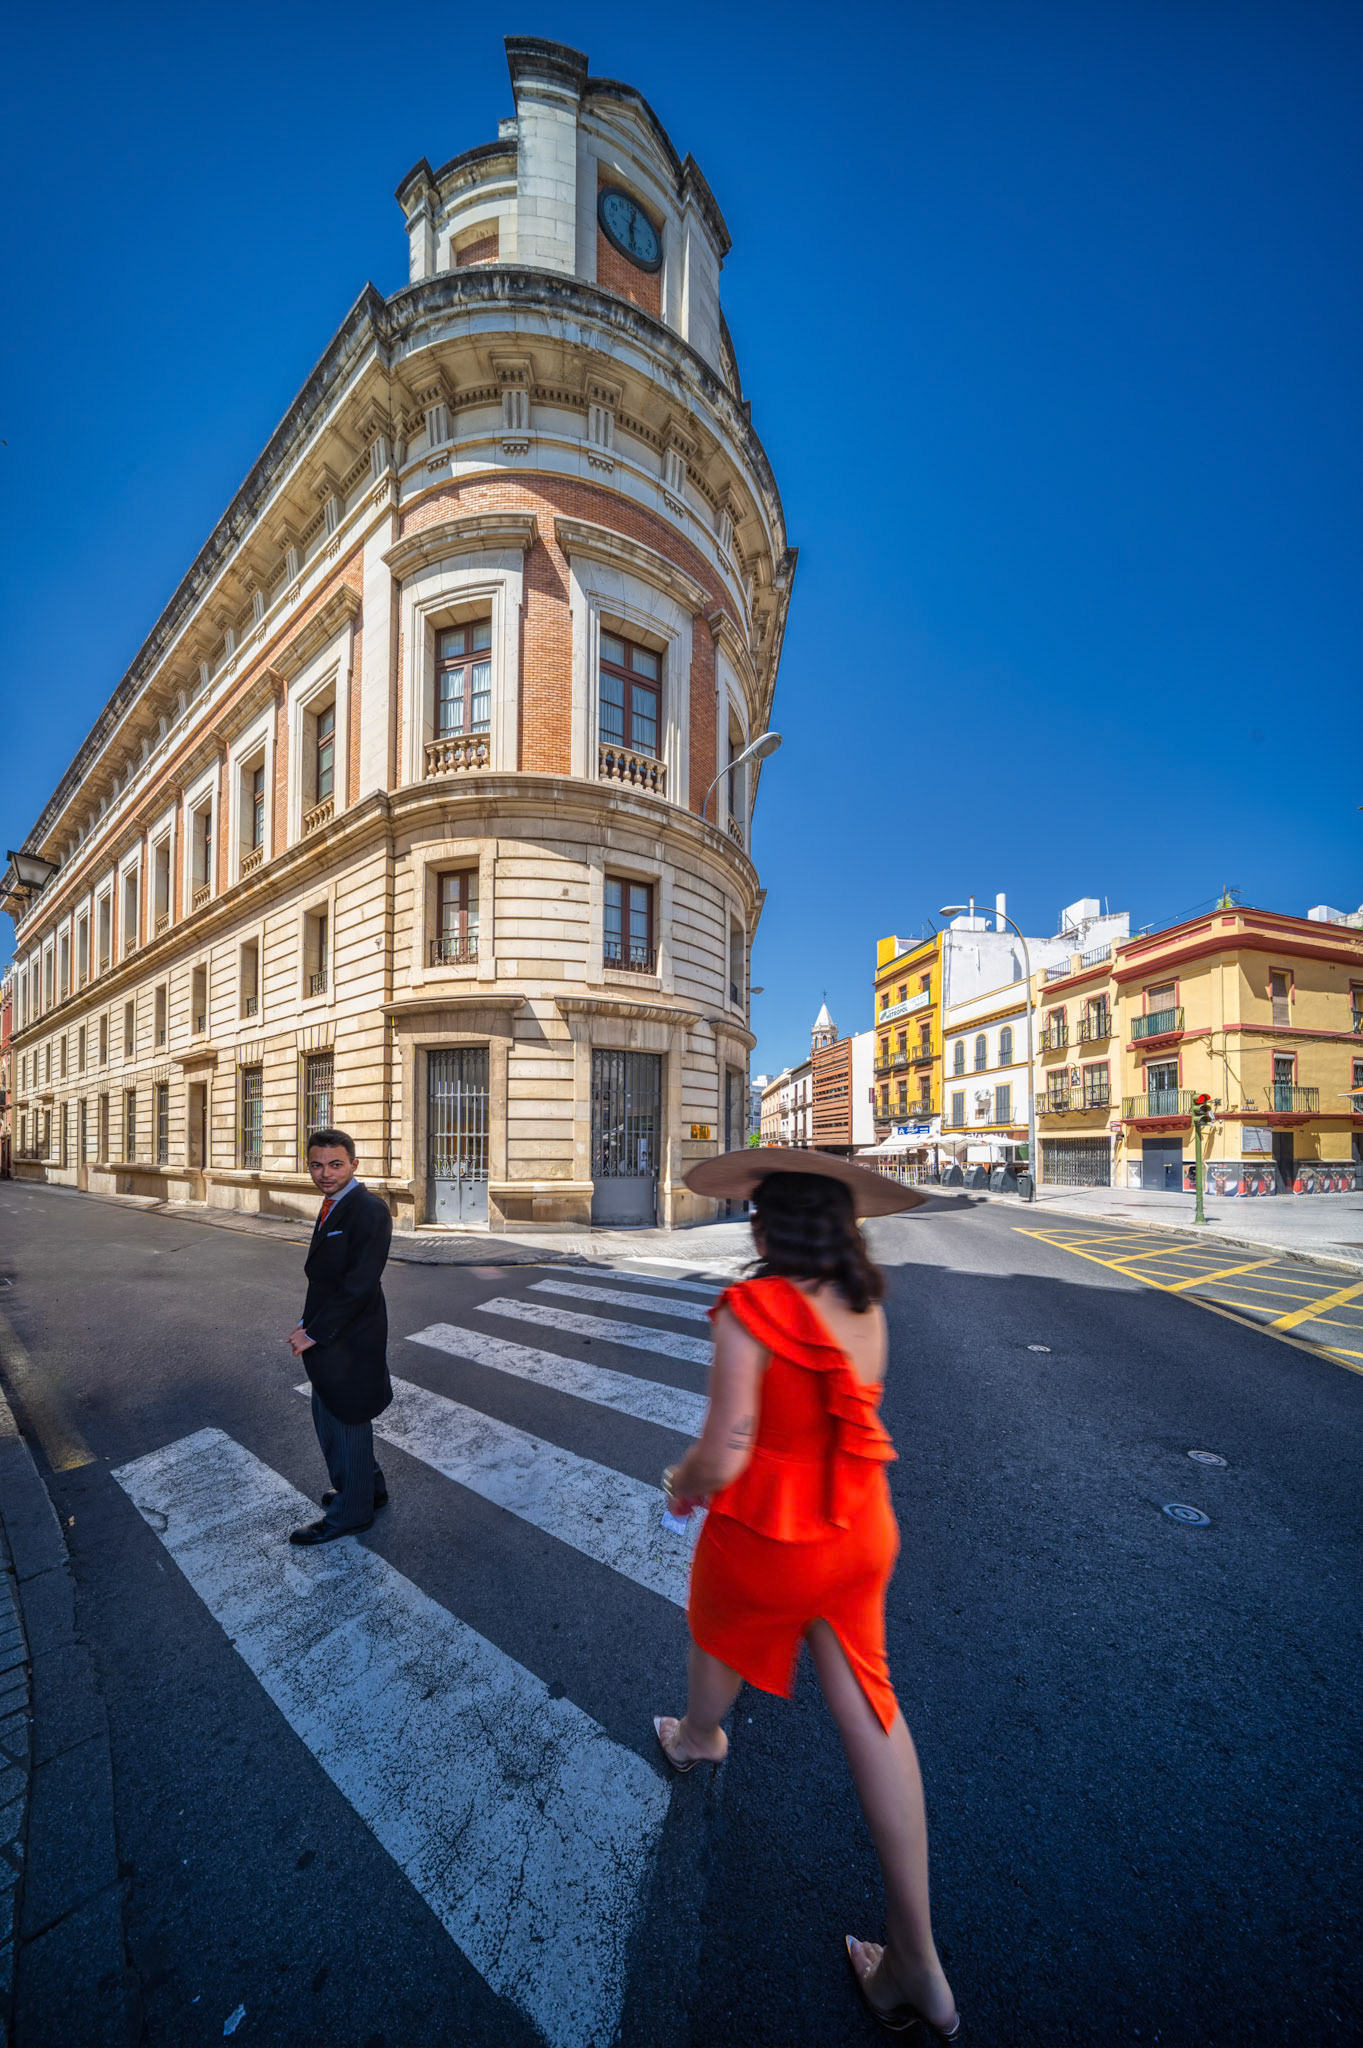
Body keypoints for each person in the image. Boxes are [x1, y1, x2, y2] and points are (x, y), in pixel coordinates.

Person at [655, 1148, 960, 2040]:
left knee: (714, 1625)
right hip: (860, 1526)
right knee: (872, 1707)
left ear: (770, 1222)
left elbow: (726, 1453)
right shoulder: (866, 1304)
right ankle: (918, 1963)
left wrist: (680, 1481)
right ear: (840, 1224)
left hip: (769, 1533)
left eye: (757, 1211)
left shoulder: (749, 1310)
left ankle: (700, 1738)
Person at [287, 1128, 394, 1546]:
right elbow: (328, 1280)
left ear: (354, 1165)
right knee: (332, 1412)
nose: (325, 1173)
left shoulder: (368, 1209)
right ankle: (371, 1489)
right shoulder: (332, 1204)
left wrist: (313, 1333)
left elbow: (359, 1284)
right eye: (316, 1164)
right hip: (334, 1328)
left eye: (335, 1165)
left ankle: (352, 1512)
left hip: (350, 1336)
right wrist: (305, 1320)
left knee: (342, 1419)